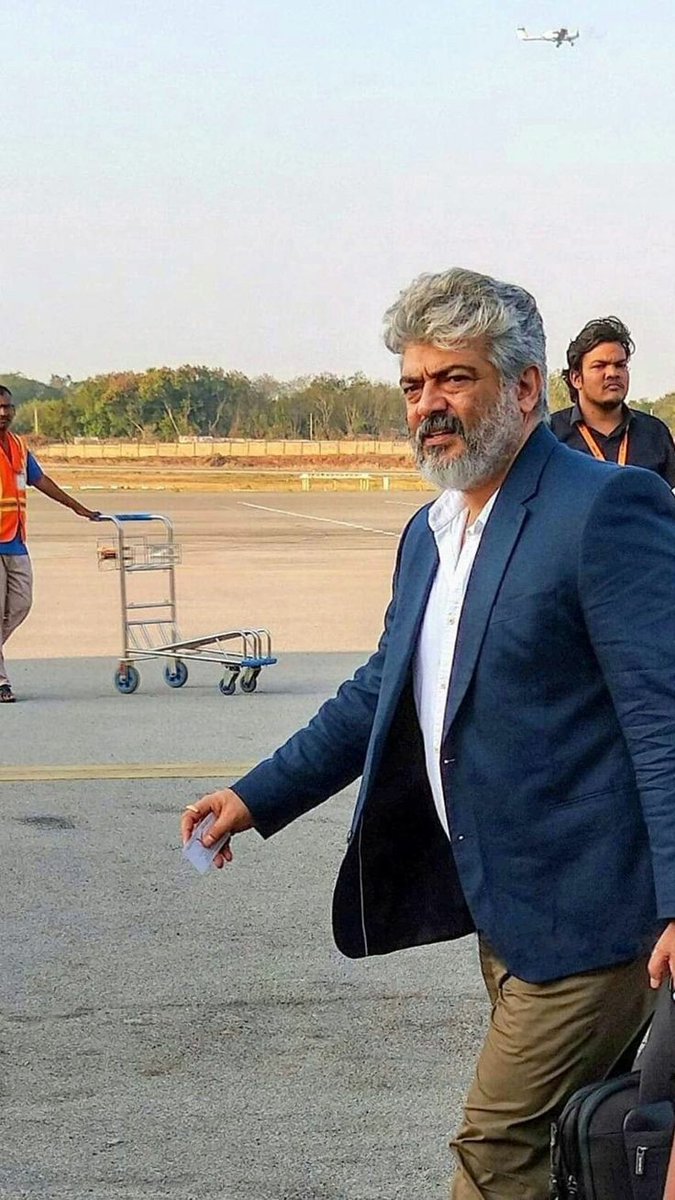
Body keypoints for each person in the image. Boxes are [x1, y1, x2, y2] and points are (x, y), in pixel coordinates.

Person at [181, 269, 675, 1200]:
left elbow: (663, 715)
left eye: (455, 378)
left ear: (524, 387)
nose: (427, 405)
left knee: (496, 1153)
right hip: (510, 907)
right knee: (572, 1153)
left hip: (600, 914)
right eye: (413, 385)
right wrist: (256, 795)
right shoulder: (432, 530)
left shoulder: (603, 508)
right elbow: (382, 689)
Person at [0, 386, 99, 702]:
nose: (3, 413)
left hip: (15, 540)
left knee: (21, 604)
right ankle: (1, 683)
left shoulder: (19, 446)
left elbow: (40, 480)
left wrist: (76, 507)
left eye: (8, 407)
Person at [550, 315, 675, 483]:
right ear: (576, 378)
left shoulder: (655, 434)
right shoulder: (550, 436)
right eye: (599, 366)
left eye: (620, 365)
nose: (612, 373)